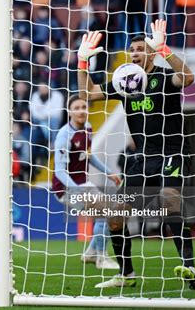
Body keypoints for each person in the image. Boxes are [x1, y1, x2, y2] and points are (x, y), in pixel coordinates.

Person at [77, 20, 195, 289]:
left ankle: (189, 267)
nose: (134, 54)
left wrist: (165, 49)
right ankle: (126, 274)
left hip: (172, 152)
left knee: (170, 200)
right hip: (143, 158)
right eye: (132, 49)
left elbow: (189, 78)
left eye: (141, 49)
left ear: (152, 52)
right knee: (115, 215)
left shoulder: (163, 77)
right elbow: (87, 93)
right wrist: (82, 62)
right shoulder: (125, 82)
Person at [52, 95, 120, 270]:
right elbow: (59, 171)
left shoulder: (88, 128)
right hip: (66, 188)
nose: (81, 110)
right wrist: (77, 190)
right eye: (76, 108)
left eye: (84, 106)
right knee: (107, 213)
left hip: (83, 184)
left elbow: (89, 156)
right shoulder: (64, 136)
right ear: (69, 112)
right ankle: (101, 258)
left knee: (108, 212)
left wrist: (108, 172)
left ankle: (91, 253)